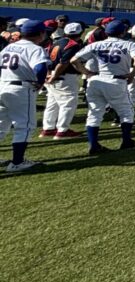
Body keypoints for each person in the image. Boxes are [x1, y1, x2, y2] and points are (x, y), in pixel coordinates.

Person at [71, 21, 135, 153]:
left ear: (106, 32)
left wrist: (86, 73)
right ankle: (127, 141)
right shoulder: (128, 44)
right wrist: (132, 75)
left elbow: (74, 60)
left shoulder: (96, 44)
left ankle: (94, 145)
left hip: (96, 81)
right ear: (123, 32)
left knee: (94, 114)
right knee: (126, 112)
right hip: (116, 80)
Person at [0, 20, 50, 172]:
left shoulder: (9, 46)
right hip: (20, 88)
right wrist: (40, 81)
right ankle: (17, 162)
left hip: (2, 85)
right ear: (40, 34)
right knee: (25, 126)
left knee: (1, 123)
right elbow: (40, 67)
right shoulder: (35, 49)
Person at [41, 21, 85, 139]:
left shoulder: (57, 41)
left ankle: (48, 128)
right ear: (81, 32)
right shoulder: (73, 44)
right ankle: (63, 130)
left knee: (52, 104)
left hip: (52, 74)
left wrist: (50, 74)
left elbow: (48, 60)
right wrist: (54, 75)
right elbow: (64, 63)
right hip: (64, 77)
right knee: (68, 104)